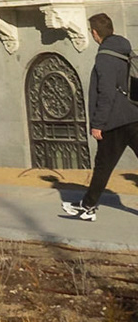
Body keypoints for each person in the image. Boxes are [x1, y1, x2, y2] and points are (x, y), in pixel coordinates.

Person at [62, 12, 138, 221]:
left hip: (114, 122)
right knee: (104, 167)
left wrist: (98, 124)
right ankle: (87, 205)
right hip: (134, 115)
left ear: (95, 33)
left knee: (103, 167)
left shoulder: (104, 56)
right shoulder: (126, 50)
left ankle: (87, 207)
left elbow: (106, 93)